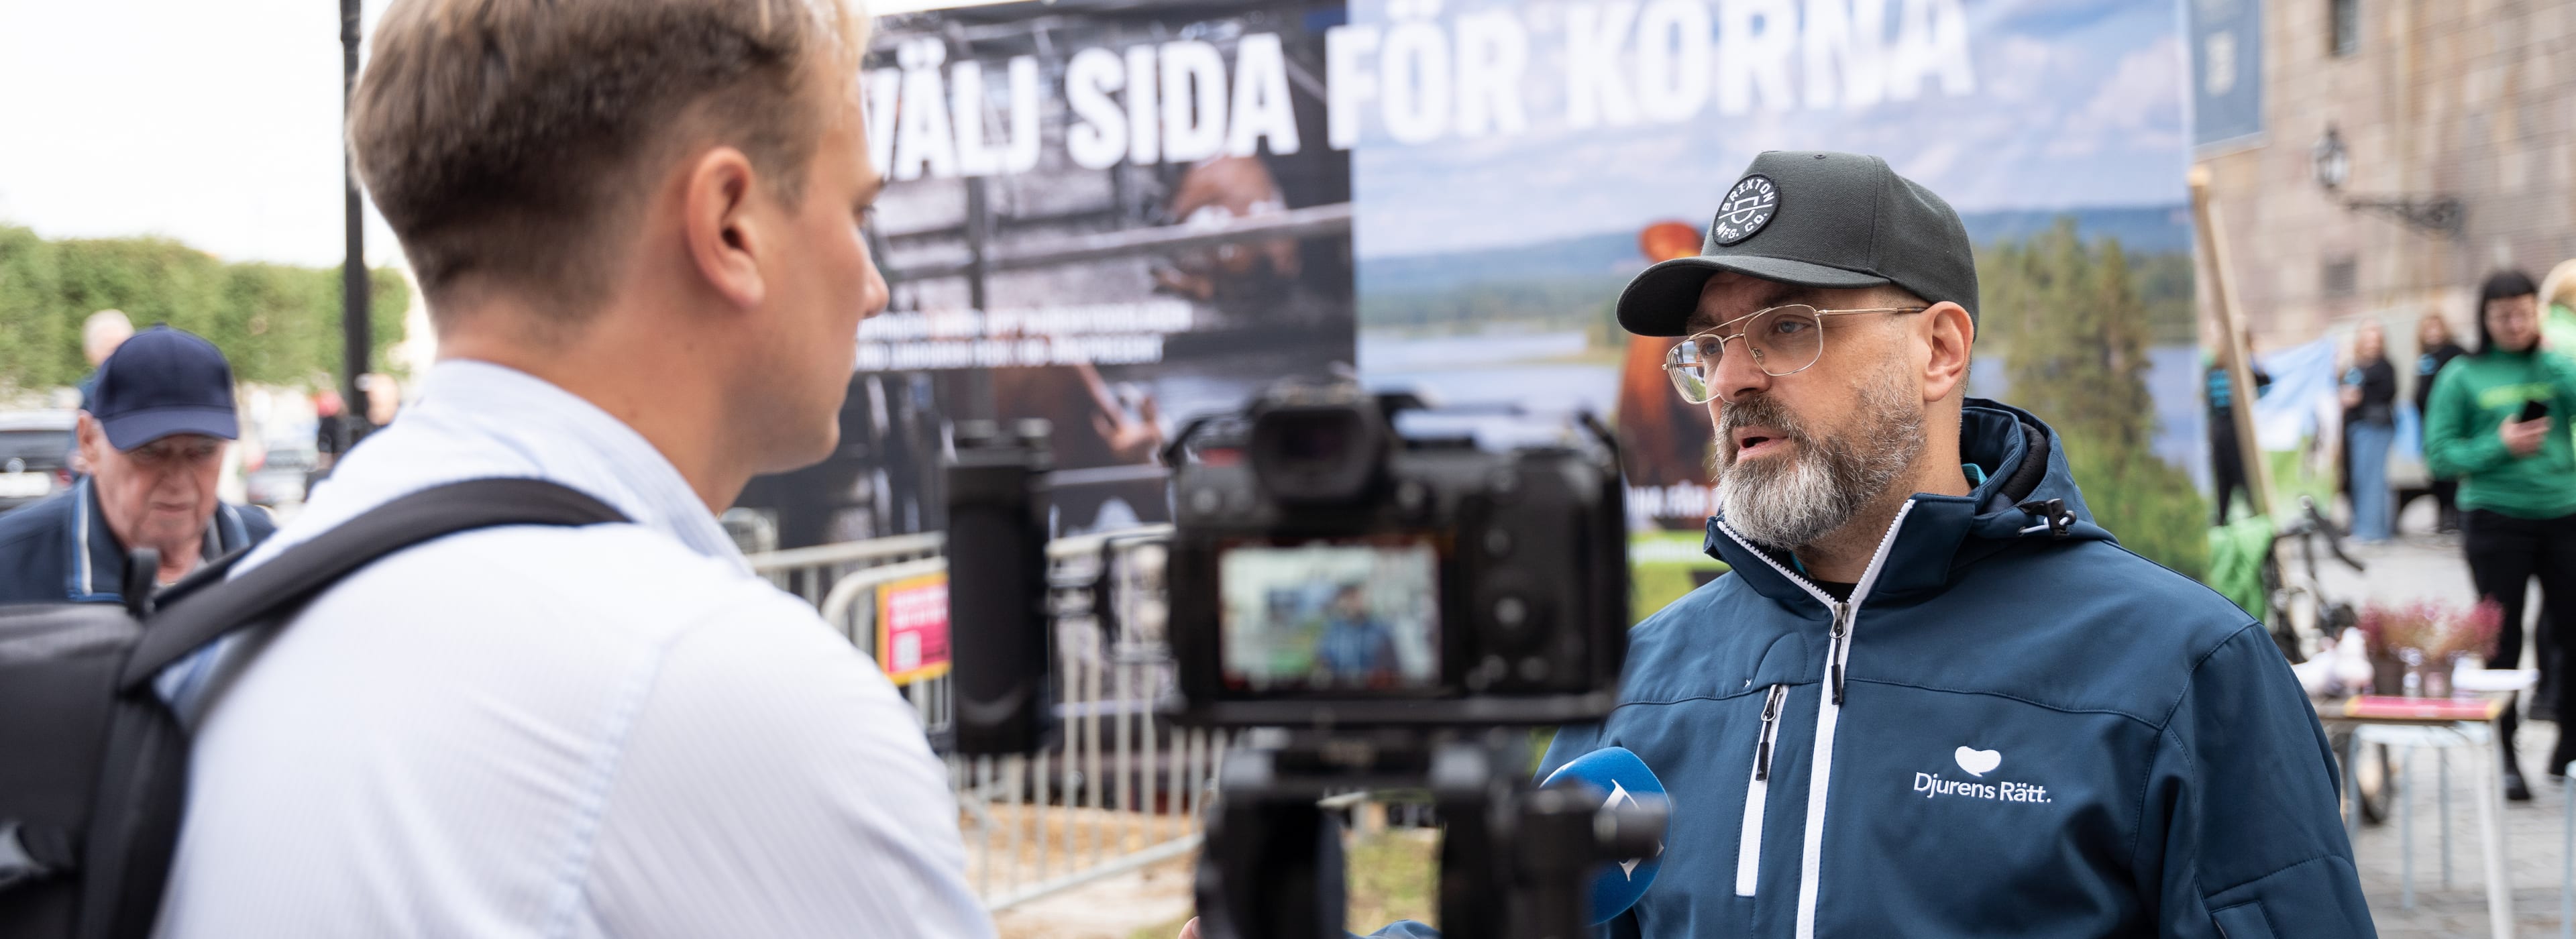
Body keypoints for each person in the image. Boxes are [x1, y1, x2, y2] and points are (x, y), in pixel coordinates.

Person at [1247, 152, 2371, 939]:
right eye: (1708, 347)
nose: (1732, 379)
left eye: (1787, 326)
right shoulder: (1642, 683)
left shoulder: (2183, 674)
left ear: (1939, 351)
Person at [148, 1, 991, 936]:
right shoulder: (734, 692)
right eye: (857, 211)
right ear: (731, 225)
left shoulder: (228, 635)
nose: (873, 287)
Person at [2422, 268, 2576, 799]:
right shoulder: (2462, 376)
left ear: (2538, 312)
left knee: (2570, 631)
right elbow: (2441, 456)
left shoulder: (2555, 364)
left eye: (2524, 313)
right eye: (2503, 315)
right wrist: (2501, 445)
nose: (2514, 324)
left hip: (2564, 514)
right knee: (2501, 638)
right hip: (2495, 520)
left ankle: (2568, 744)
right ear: (2484, 318)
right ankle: (2506, 753)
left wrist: (2556, 361)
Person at [0, 325, 276, 603]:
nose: (178, 480)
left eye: (204, 451)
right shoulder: (11, 566)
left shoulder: (270, 554)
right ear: (89, 442)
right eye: (150, 452)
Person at [2205, 333, 2271, 526]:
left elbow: (2265, 385)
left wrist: (2255, 358)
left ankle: (2255, 515)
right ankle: (2222, 518)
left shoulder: (2244, 368)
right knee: (2223, 476)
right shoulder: (2212, 368)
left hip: (2239, 425)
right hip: (2220, 426)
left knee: (2243, 473)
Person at [2341, 321, 2398, 541]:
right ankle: (2363, 526)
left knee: (2373, 480)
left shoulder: (2384, 367)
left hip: (2375, 427)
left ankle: (2373, 531)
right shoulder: (2354, 367)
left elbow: (2388, 393)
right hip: (2356, 427)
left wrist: (2360, 396)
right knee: (2360, 479)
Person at [2416, 312, 2469, 532]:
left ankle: (2456, 516)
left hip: (2449, 421)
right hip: (2428, 422)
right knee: (2435, 471)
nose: (2432, 333)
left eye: (2436, 328)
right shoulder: (2425, 357)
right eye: (2428, 329)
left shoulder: (2454, 353)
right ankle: (2442, 516)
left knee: (2452, 470)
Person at [1314, 584, 1397, 683]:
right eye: (1347, 598)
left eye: (1355, 598)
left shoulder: (1381, 631)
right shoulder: (1332, 632)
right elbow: (1323, 661)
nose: (1352, 603)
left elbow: (1392, 669)